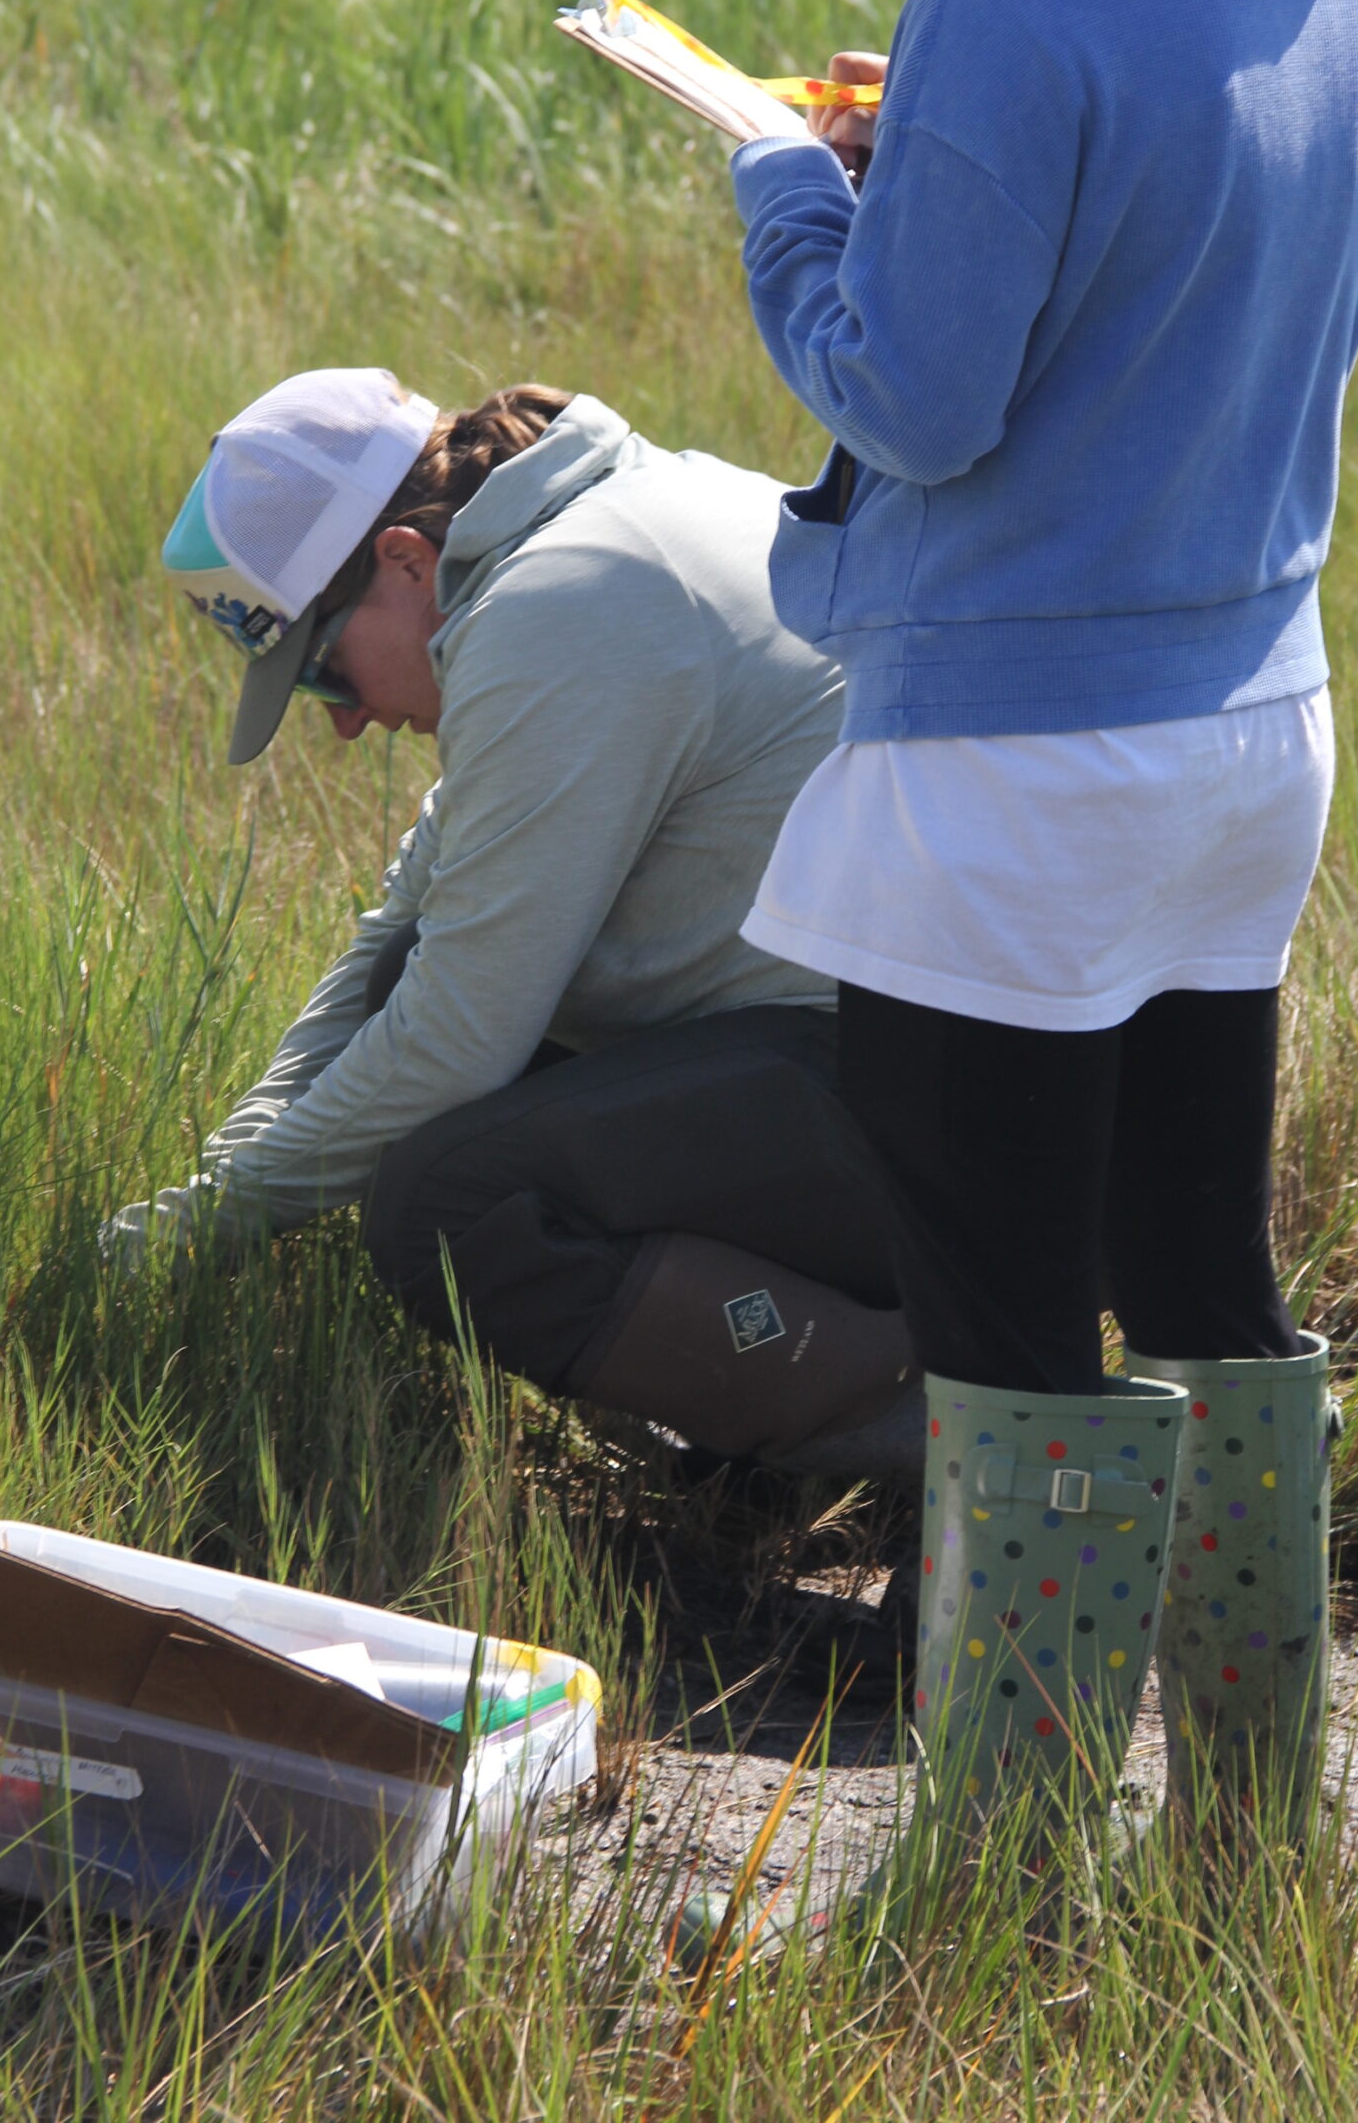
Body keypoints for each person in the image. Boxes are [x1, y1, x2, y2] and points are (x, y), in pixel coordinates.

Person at [703, 0, 1358, 1862]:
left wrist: (798, 204)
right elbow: (1196, 272)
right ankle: (1243, 1825)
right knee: (1197, 1268)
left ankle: (998, 1873)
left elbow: (909, 395)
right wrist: (954, 180)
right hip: (1251, 733)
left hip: (1010, 770)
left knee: (1000, 1314)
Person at [120, 363, 931, 1482]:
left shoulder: (565, 607)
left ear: (402, 561)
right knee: (417, 1029)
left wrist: (185, 1239)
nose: (348, 722)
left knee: (445, 1203)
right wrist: (225, 1173)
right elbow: (395, 942)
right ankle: (788, 1402)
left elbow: (456, 1040)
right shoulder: (574, 541)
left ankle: (901, 1416)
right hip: (894, 1068)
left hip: (939, 1105)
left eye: (319, 672)